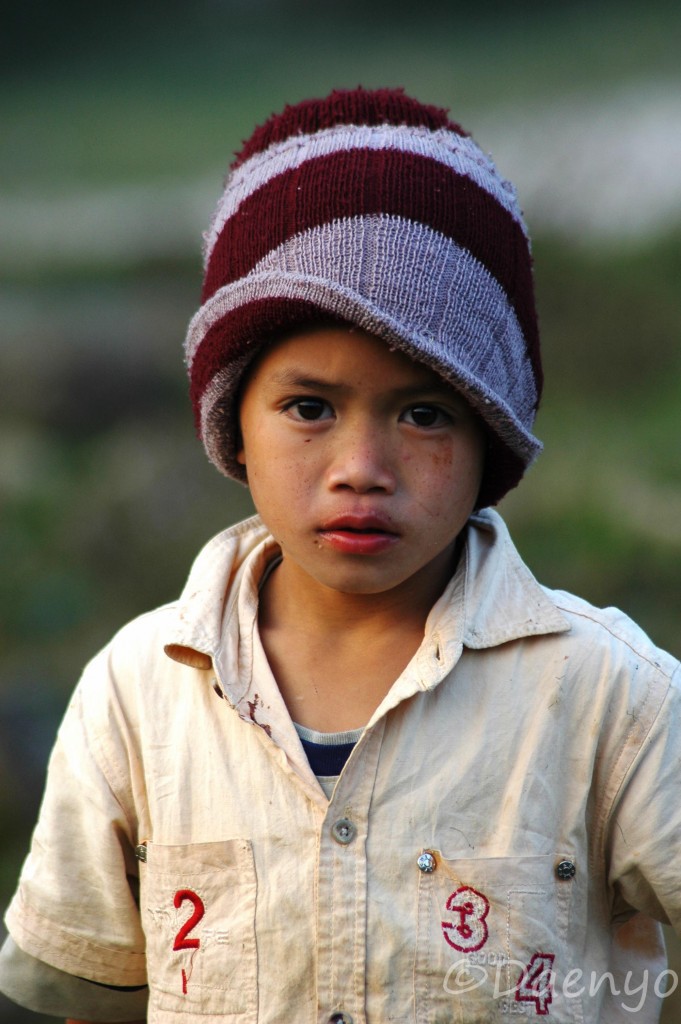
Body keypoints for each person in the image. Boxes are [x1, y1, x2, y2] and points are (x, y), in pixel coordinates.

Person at [1, 86, 679, 1024]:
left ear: (490, 435)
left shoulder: (615, 699)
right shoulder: (137, 695)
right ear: (232, 424)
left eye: (424, 414)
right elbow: (94, 993)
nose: (361, 467)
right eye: (309, 408)